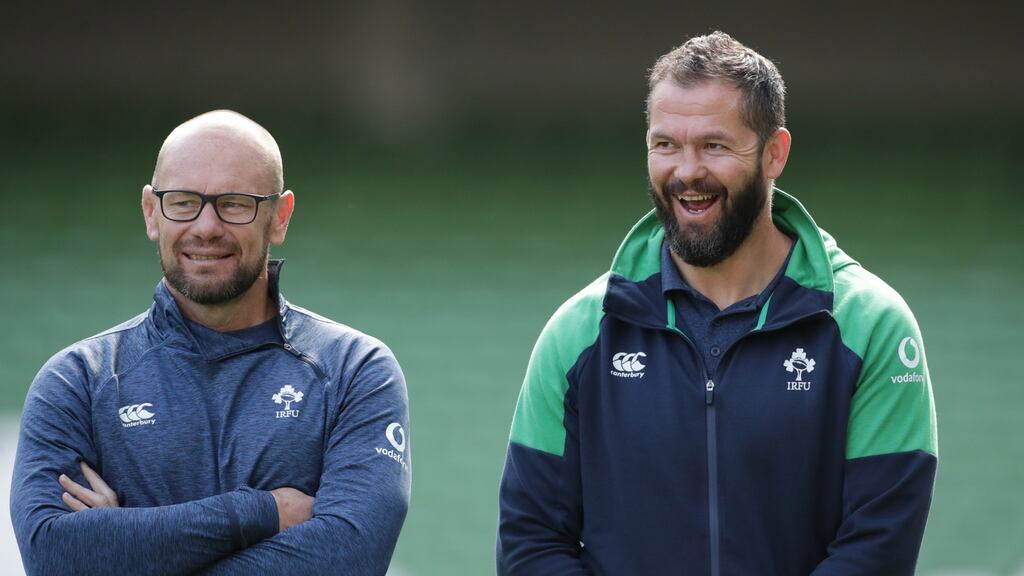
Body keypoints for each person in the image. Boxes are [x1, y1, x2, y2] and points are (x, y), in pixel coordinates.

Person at [497, 31, 937, 575]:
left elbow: (878, 549)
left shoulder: (869, 325)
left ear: (775, 154)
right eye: (665, 145)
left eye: (714, 145)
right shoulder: (580, 332)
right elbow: (531, 544)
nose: (686, 172)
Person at [10, 110, 412, 575]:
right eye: (182, 201)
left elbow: (349, 557)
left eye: (235, 203)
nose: (205, 227)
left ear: (279, 217)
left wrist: (126, 544)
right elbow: (51, 555)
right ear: (151, 213)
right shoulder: (78, 380)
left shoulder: (353, 370)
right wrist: (263, 513)